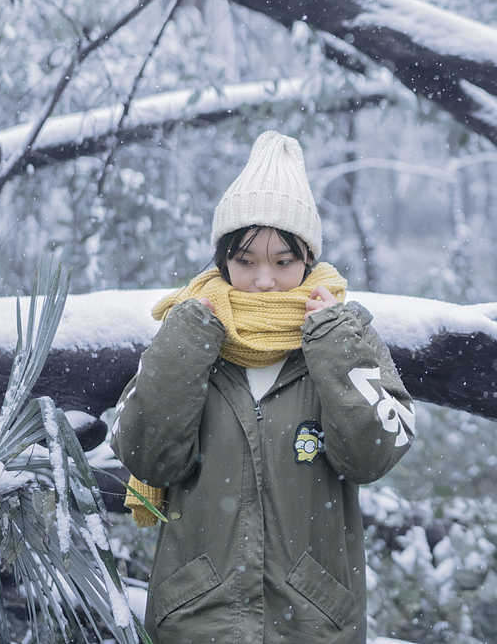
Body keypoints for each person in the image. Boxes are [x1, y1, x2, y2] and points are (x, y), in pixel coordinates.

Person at [110, 131, 415, 644]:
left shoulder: (344, 334)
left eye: (282, 260)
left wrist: (333, 345)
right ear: (223, 259)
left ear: (309, 261)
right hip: (196, 619)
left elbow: (373, 456)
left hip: (313, 622)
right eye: (246, 259)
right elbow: (147, 457)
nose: (264, 280)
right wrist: (187, 340)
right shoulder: (188, 331)